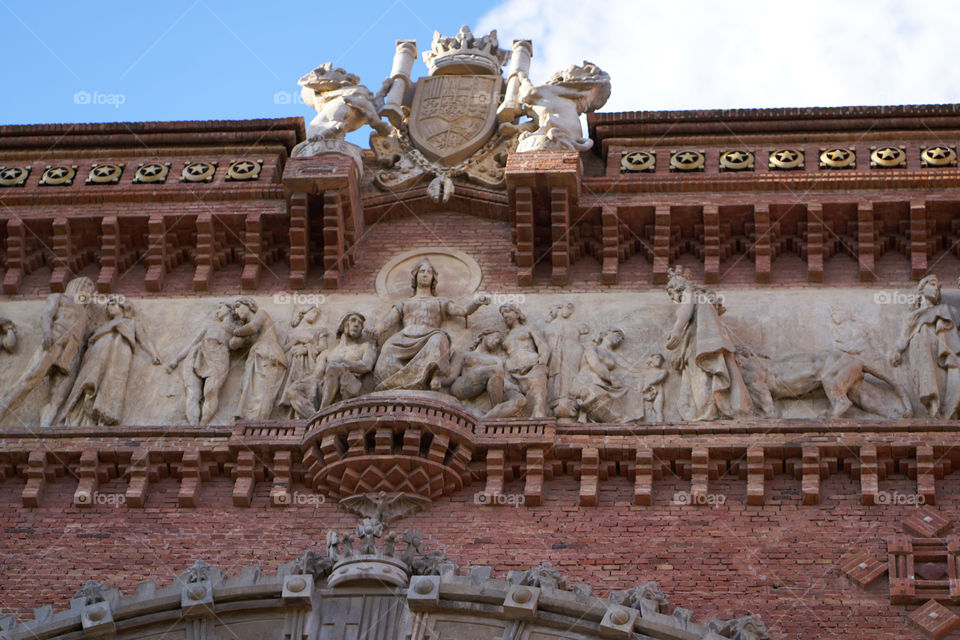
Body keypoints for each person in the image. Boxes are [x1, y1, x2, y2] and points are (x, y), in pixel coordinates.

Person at [374, 259, 487, 391]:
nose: (425, 274)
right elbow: (387, 322)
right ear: (415, 276)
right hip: (405, 336)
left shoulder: (439, 301)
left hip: (430, 334)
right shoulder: (404, 302)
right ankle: (396, 382)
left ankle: (435, 376)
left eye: (429, 272)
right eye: (422, 271)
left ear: (433, 278)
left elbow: (463, 311)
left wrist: (477, 302)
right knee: (387, 347)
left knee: (438, 339)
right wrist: (376, 330)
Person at [0, 276, 96, 427]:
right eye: (88, 285)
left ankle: (46, 428)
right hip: (56, 339)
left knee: (59, 396)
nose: (91, 290)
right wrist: (46, 331)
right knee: (29, 380)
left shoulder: (86, 313)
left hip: (73, 351)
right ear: (77, 285)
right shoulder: (59, 297)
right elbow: (47, 314)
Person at [664, 266, 753, 421]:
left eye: (670, 292)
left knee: (701, 374)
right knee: (705, 374)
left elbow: (686, 308)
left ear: (677, 286)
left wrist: (677, 330)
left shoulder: (689, 292)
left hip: (699, 345)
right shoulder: (705, 300)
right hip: (708, 343)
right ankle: (716, 408)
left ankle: (706, 412)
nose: (672, 296)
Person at [61, 297, 161, 426]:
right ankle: (81, 419)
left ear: (122, 307)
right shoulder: (101, 326)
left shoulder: (130, 323)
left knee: (111, 384)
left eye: (113, 304)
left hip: (118, 355)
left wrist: (153, 354)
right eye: (108, 305)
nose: (109, 307)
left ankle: (103, 418)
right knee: (88, 382)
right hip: (96, 354)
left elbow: (144, 339)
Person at [890, 274, 960, 418]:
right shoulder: (912, 316)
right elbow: (903, 337)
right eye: (932, 284)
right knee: (927, 382)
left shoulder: (946, 310)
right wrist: (896, 351)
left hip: (945, 350)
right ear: (921, 290)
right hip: (921, 347)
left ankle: (951, 407)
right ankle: (934, 411)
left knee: (950, 375)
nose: (936, 289)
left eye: (938, 287)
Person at [286, 311, 377, 417]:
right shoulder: (327, 353)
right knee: (293, 389)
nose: (357, 324)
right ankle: (312, 417)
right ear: (343, 324)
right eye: (353, 320)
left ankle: (323, 412)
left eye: (360, 323)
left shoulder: (366, 346)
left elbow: (367, 365)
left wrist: (342, 364)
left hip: (350, 387)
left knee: (333, 367)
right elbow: (316, 376)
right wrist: (302, 384)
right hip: (326, 386)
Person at [166, 300, 235, 424]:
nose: (217, 311)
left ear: (229, 310)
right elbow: (193, 343)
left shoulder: (235, 330)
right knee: (193, 394)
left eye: (221, 307)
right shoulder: (210, 326)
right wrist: (176, 359)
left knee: (211, 391)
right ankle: (194, 427)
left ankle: (203, 425)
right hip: (196, 358)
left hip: (218, 360)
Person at [441, 329, 526, 418]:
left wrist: (515, 387)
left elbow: (501, 380)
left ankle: (489, 418)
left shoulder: (497, 359)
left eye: (499, 341)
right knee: (495, 370)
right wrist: (439, 380)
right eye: (496, 337)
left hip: (489, 385)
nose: (497, 342)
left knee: (521, 400)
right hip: (461, 385)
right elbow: (452, 375)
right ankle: (496, 410)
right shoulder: (463, 353)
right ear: (485, 334)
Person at [231, 298, 287, 421]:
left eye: (238, 306)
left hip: (268, 354)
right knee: (247, 389)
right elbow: (233, 345)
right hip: (256, 356)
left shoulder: (261, 314)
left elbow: (253, 327)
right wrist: (239, 330)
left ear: (249, 305)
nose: (235, 311)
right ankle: (249, 425)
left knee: (263, 393)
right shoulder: (244, 330)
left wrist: (235, 331)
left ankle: (257, 425)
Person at [499, 303, 551, 417]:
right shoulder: (505, 336)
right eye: (503, 314)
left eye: (507, 312)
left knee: (538, 388)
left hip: (532, 365)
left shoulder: (528, 328)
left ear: (517, 313)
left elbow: (542, 345)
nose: (505, 316)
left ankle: (538, 417)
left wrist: (542, 361)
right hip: (512, 371)